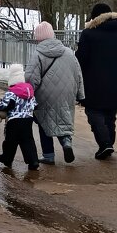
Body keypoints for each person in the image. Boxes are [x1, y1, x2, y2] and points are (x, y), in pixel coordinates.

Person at [75, 2, 117, 159]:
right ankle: (109, 142)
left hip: (92, 84)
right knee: (110, 115)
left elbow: (79, 61)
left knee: (93, 112)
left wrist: (76, 82)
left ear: (95, 18)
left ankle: (105, 144)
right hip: (116, 84)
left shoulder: (88, 34)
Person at [26, 21, 83, 164]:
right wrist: (80, 94)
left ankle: (49, 155)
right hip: (67, 94)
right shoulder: (69, 52)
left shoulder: (38, 54)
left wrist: (27, 95)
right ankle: (66, 142)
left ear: (38, 37)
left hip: (44, 95)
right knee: (63, 119)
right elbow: (78, 74)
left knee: (44, 123)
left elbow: (31, 78)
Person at [0, 64, 39, 171]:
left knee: (10, 141)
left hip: (14, 121)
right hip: (28, 120)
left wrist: (1, 107)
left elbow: (3, 105)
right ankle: (33, 160)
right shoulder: (29, 92)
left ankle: (7, 158)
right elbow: (35, 105)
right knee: (28, 140)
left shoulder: (11, 93)